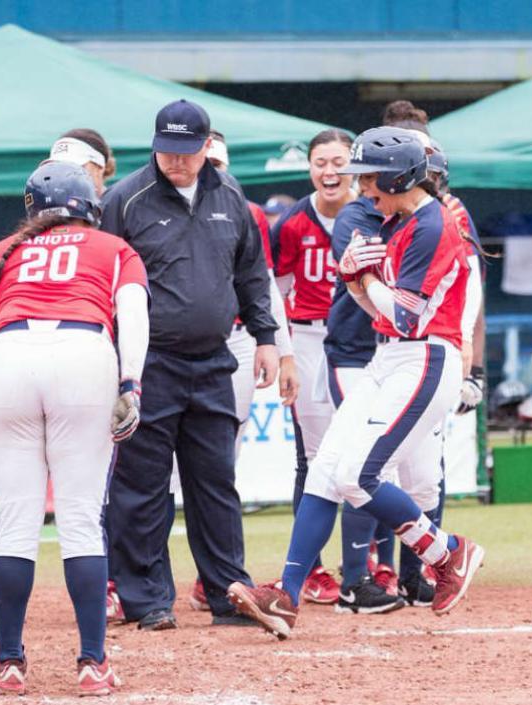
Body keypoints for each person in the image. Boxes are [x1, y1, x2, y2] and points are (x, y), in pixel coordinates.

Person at [228, 127, 484, 639]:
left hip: (427, 358)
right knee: (326, 470)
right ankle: (287, 596)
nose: (363, 188)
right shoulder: (404, 221)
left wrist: (364, 280)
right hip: (391, 357)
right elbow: (379, 316)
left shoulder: (432, 223)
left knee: (359, 476)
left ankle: (448, 552)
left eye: (369, 178)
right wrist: (355, 284)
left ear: (397, 176)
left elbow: (409, 318)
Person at [0, 162, 148, 696]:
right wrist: (132, 382)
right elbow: (133, 312)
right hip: (83, 352)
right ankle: (91, 663)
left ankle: (10, 662)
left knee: (15, 523)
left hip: (8, 355)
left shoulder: (2, 250)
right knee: (81, 520)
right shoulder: (111, 248)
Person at [99, 99, 278, 630]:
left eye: (185, 151)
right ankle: (147, 599)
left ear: (206, 147)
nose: (174, 161)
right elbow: (103, 279)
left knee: (216, 482)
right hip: (148, 362)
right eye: (166, 150)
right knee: (142, 485)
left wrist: (266, 337)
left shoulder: (232, 195)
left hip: (213, 362)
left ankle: (228, 592)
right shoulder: (125, 199)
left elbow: (251, 273)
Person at [272, 128, 396, 612]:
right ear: (309, 167)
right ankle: (318, 568)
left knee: (373, 452)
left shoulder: (377, 213)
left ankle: (375, 562)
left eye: (337, 162)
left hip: (364, 337)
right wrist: (283, 353)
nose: (329, 171)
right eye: (320, 162)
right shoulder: (290, 223)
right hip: (308, 336)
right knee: (315, 454)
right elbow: (274, 291)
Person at [181, 130, 297, 612]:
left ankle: (213, 577)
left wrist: (280, 349)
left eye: (220, 163)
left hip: (233, 338)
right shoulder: (154, 204)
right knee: (160, 467)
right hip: (172, 345)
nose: (214, 171)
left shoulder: (244, 212)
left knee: (219, 460)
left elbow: (262, 285)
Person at [46, 129, 116, 197]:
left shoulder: (119, 205)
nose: (64, 176)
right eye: (58, 169)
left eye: (75, 167)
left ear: (100, 167)